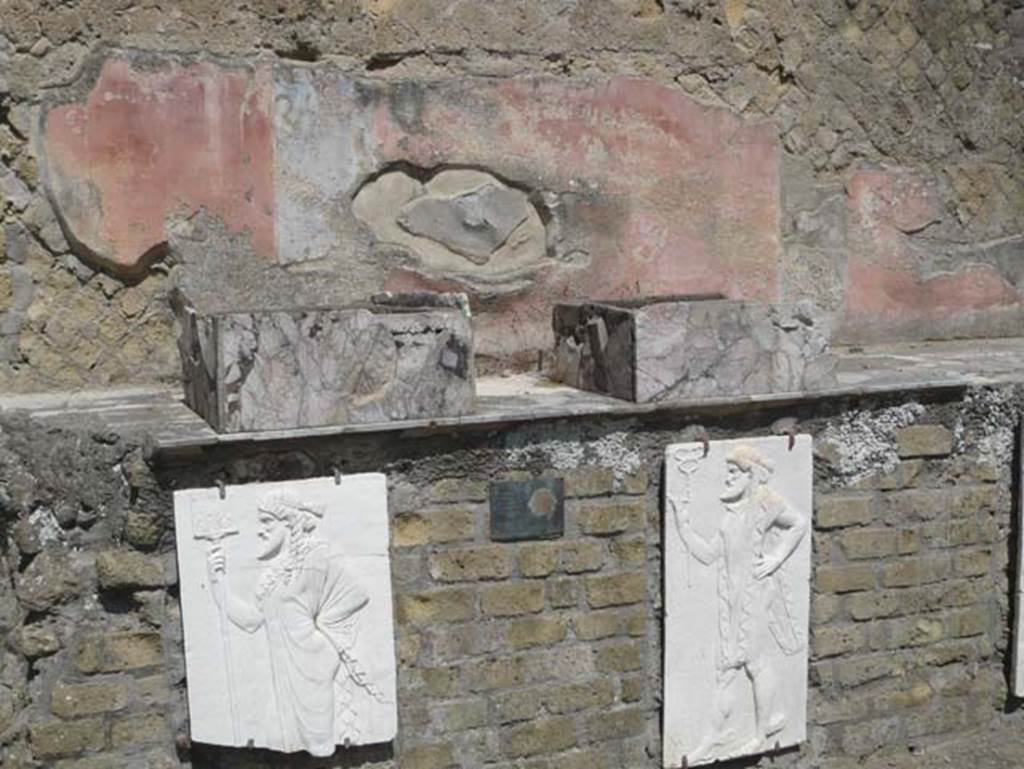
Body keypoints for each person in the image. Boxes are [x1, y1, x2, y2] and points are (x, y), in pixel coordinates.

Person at [670, 445, 808, 761]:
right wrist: (682, 520)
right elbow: (707, 554)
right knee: (726, 670)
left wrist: (776, 557)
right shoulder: (730, 518)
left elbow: (798, 522)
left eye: (734, 472)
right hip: (731, 601)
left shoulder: (766, 503)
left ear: (750, 476)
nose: (727, 477)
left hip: (756, 595)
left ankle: (760, 735)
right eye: (727, 471)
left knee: (755, 663)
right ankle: (714, 737)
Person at [207, 493, 371, 756]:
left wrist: (325, 628)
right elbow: (251, 621)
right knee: (277, 739)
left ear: (289, 523)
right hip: (284, 674)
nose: (260, 531)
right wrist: (218, 582)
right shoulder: (274, 573)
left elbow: (357, 594)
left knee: (318, 745)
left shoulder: (316, 557)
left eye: (266, 522)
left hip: (312, 668)